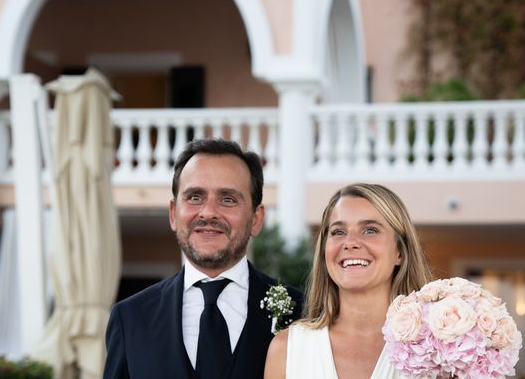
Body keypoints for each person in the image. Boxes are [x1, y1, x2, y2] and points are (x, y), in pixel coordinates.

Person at [104, 138, 304, 379]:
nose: (209, 212)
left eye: (228, 199)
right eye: (195, 197)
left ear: (257, 218)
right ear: (173, 214)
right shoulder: (130, 318)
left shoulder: (304, 313)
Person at [264, 183, 431, 379]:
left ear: (400, 252)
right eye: (338, 232)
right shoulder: (287, 349)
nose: (350, 242)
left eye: (370, 230)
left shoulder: (434, 346)